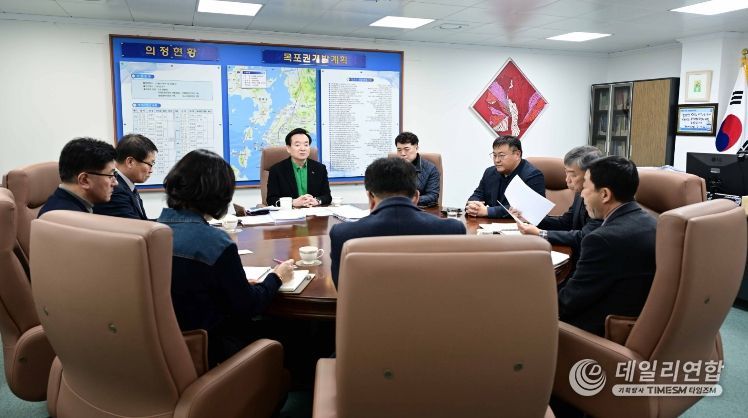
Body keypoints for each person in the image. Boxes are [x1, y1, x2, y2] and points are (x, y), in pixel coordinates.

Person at [157, 149, 295, 367]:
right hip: (211, 349)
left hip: (165, 348)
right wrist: (277, 277)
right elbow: (248, 306)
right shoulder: (215, 243)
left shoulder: (153, 230)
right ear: (220, 194)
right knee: (293, 333)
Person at [557, 156, 656, 336]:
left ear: (604, 194)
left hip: (594, 332)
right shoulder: (653, 222)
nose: (581, 194)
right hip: (638, 323)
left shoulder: (602, 240)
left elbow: (568, 303)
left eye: (586, 187)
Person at [329, 157, 466, 287]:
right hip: (433, 304)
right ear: (416, 197)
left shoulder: (343, 235)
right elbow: (455, 284)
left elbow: (342, 288)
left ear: (370, 197)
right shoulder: (452, 230)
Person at [516, 146, 603, 264]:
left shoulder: (601, 200)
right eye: (566, 173)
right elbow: (566, 222)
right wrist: (532, 218)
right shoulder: (580, 193)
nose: (567, 180)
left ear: (590, 175)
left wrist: (541, 233)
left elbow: (584, 236)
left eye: (573, 175)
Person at [466, 135, 544, 218]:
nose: (497, 160)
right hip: (491, 224)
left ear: (517, 154)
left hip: (518, 225)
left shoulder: (532, 175)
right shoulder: (490, 172)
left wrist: (488, 211)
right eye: (494, 155)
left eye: (501, 155)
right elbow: (477, 195)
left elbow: (527, 208)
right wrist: (473, 206)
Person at [38, 137, 117, 217]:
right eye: (110, 176)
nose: (115, 183)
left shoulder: (63, 202)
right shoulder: (70, 219)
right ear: (84, 180)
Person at [94, 134, 158, 219]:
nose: (151, 170)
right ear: (130, 162)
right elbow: (133, 225)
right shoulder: (115, 190)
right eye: (150, 164)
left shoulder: (127, 186)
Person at [266, 128, 331, 207]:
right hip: (289, 213)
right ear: (288, 148)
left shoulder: (320, 168)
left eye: (306, 145)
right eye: (297, 145)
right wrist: (292, 202)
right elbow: (271, 200)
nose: (302, 149)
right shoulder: (276, 170)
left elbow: (327, 196)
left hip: (313, 212)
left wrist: (317, 201)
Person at [395, 131, 440, 207]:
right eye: (399, 150)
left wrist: (409, 200)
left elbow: (433, 196)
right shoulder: (390, 167)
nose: (402, 153)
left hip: (418, 209)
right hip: (393, 207)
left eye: (406, 149)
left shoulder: (430, 168)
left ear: (416, 148)